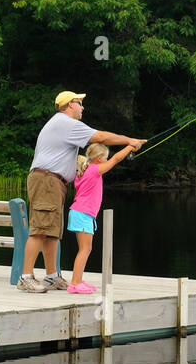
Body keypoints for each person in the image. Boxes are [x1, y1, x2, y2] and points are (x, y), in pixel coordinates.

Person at [18, 91, 145, 293]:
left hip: (53, 181)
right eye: (80, 103)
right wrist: (130, 140)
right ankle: (25, 278)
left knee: (51, 233)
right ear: (70, 105)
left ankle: (51, 277)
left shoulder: (62, 124)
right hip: (46, 180)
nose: (83, 107)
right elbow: (101, 137)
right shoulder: (66, 123)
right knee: (40, 230)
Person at [66, 141, 135, 293]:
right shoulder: (94, 170)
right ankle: (74, 284)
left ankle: (78, 280)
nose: (107, 160)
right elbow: (116, 159)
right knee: (85, 249)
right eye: (105, 157)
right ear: (98, 158)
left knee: (85, 248)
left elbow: (112, 159)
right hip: (82, 213)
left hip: (82, 213)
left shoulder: (85, 169)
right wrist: (131, 146)